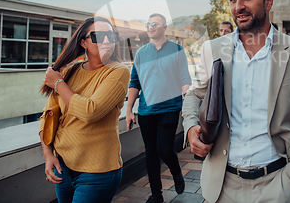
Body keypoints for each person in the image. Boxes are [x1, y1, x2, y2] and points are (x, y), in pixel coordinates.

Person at [182, 0, 290, 203]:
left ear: (268, 0)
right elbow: (194, 95)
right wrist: (190, 127)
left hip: (277, 183)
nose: (238, 6)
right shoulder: (213, 49)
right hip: (221, 185)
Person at [39, 16, 130, 203]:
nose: (106, 41)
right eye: (98, 36)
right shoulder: (69, 71)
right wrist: (48, 155)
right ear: (83, 42)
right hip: (63, 166)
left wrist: (57, 83)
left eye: (111, 36)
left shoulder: (118, 71)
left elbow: (90, 112)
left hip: (97, 173)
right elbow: (48, 116)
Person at [126, 13, 192, 203]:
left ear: (164, 27)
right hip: (146, 112)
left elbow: (184, 79)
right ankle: (156, 195)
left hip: (170, 109)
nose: (150, 27)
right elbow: (134, 82)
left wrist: (188, 98)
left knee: (164, 149)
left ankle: (176, 172)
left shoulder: (177, 50)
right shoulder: (141, 53)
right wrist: (129, 110)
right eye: (148, 24)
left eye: (154, 24)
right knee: (150, 153)